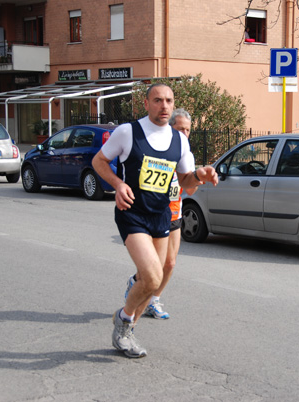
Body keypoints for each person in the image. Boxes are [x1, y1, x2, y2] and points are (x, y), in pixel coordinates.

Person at [92, 84, 218, 358]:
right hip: (132, 213)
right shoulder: (128, 132)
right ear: (146, 103)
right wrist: (117, 184)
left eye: (169, 101)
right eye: (158, 100)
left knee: (154, 280)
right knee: (151, 276)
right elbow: (99, 161)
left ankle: (127, 327)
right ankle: (124, 325)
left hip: (161, 214)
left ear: (173, 105)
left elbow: (186, 182)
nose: (164, 106)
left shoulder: (179, 140)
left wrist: (199, 175)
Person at [123, 108, 193, 319]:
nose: (184, 133)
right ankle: (138, 283)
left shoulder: (183, 149)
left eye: (188, 130)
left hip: (174, 213)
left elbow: (190, 187)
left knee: (170, 263)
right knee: (153, 266)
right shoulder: (158, 148)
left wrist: (198, 176)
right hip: (151, 213)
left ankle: (153, 299)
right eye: (180, 128)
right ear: (170, 127)